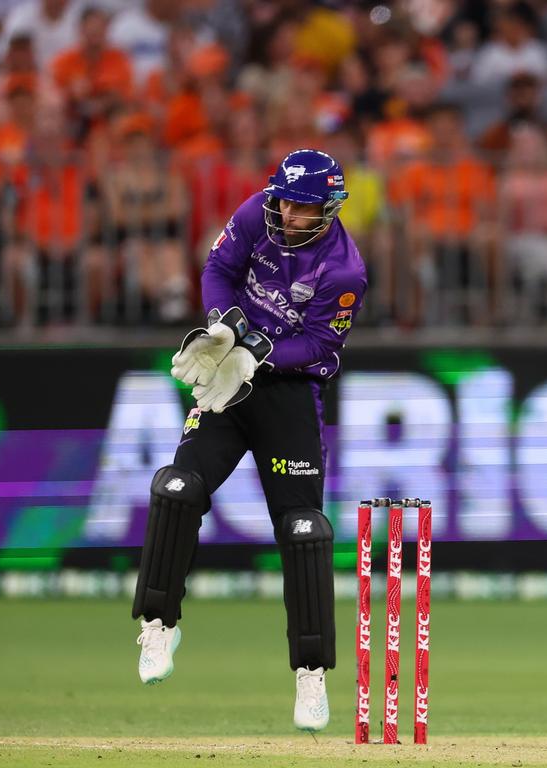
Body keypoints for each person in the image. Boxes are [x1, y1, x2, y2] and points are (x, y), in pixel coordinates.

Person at [131, 149, 367, 734]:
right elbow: (217, 272)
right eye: (285, 200)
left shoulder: (345, 271)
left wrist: (255, 355)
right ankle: (158, 626)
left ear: (330, 207)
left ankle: (310, 674)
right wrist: (225, 329)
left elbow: (318, 347)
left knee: (304, 529)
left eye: (303, 205)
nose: (288, 213)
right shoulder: (254, 213)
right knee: (179, 487)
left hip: (288, 394)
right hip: (226, 381)